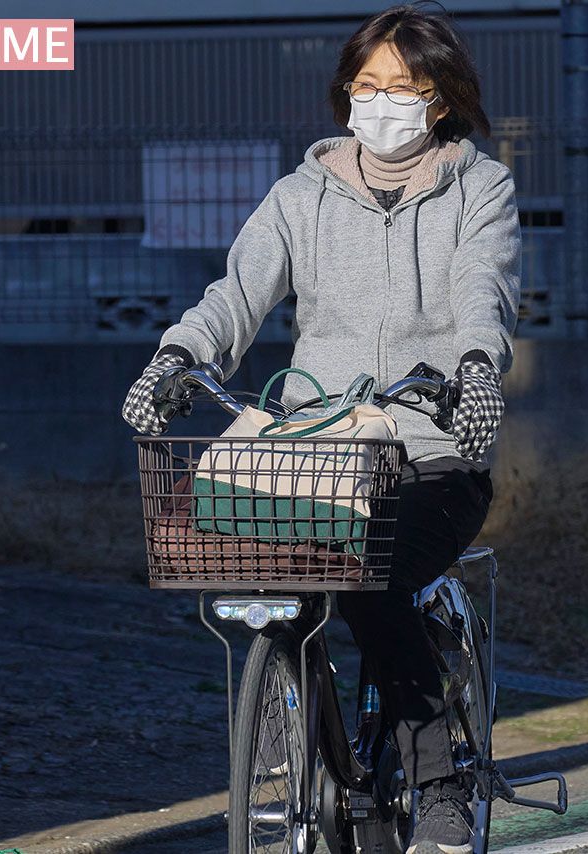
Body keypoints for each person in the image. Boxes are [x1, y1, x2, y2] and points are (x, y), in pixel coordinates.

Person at [121, 4, 520, 852]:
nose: (383, 104)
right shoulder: (298, 197)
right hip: (319, 456)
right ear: (346, 93)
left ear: (440, 100)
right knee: (274, 576)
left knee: (374, 578)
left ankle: (437, 777)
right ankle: (318, 756)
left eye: (404, 89)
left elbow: (483, 288)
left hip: (429, 453)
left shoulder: (479, 187)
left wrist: (478, 370)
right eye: (367, 86)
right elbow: (234, 294)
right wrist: (176, 358)